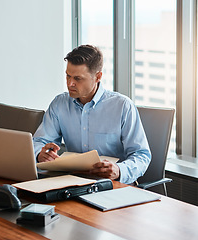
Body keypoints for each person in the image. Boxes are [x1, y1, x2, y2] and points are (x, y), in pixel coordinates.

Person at [33, 44, 151, 184]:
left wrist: (119, 170)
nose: (70, 83)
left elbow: (141, 155)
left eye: (78, 78)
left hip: (112, 184)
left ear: (98, 77)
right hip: (72, 182)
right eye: (68, 76)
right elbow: (40, 141)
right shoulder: (60, 104)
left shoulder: (123, 106)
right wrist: (40, 154)